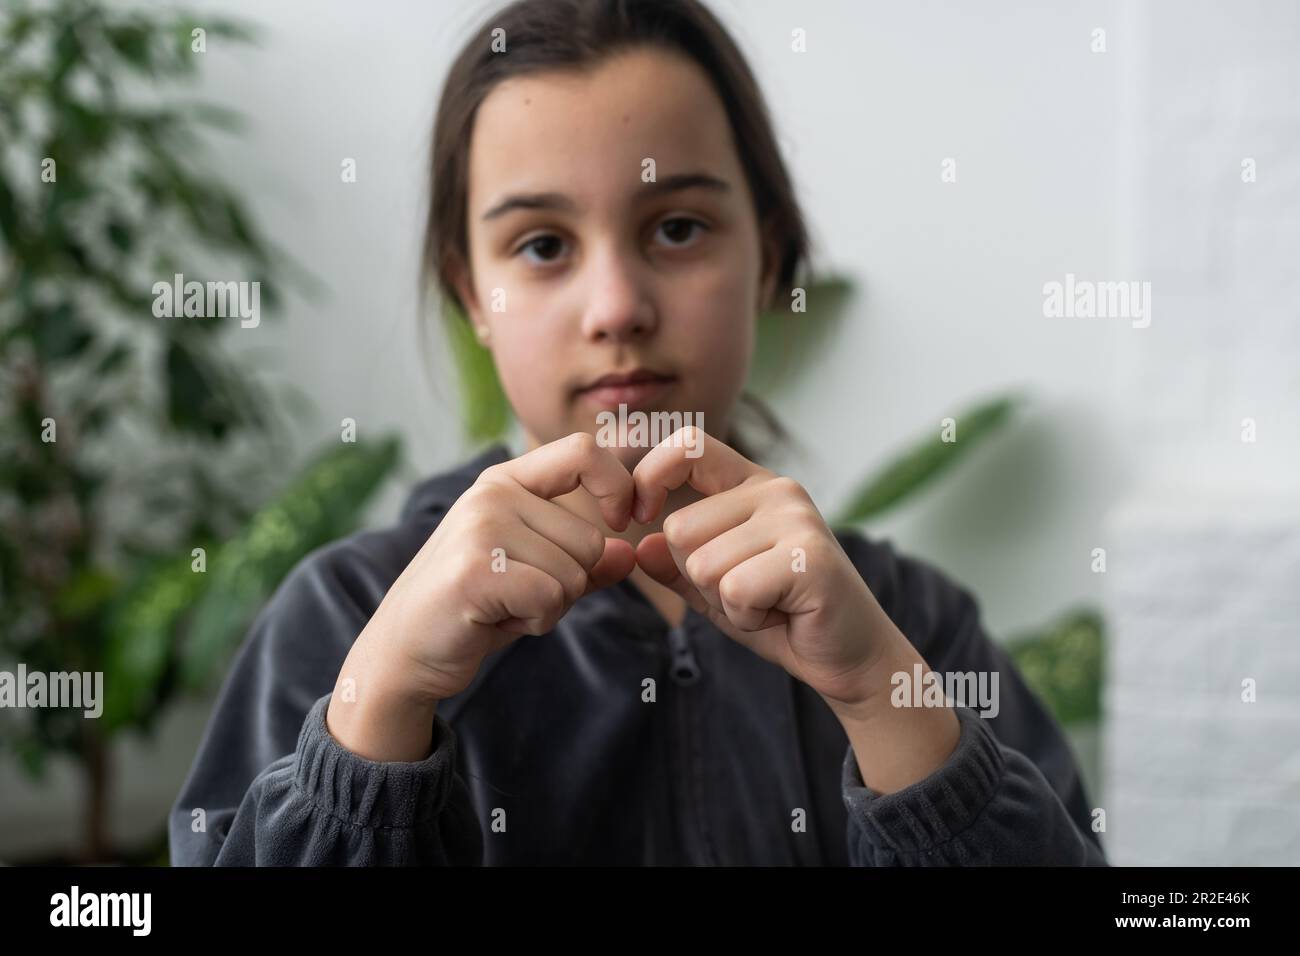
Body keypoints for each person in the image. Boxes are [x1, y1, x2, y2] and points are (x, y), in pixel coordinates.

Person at [170, 0, 1106, 866]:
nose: (617, 307)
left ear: (767, 256)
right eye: (542, 246)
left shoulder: (915, 628)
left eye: (679, 227)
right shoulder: (342, 621)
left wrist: (882, 700)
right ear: (472, 296)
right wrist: (376, 721)